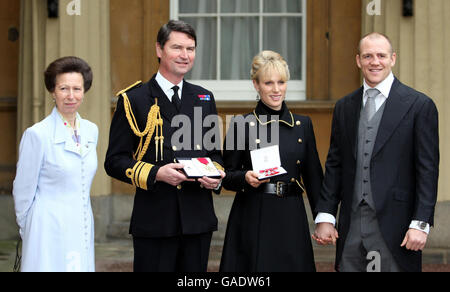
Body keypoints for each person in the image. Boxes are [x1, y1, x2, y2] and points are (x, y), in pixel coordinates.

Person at [104, 20, 225, 272]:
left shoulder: (204, 97)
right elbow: (115, 161)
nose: (185, 55)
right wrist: (156, 173)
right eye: (177, 47)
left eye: (190, 49)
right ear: (159, 50)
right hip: (155, 221)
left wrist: (215, 176)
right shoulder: (133, 99)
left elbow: (214, 153)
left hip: (197, 220)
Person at [312, 32, 439, 272]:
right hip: (351, 226)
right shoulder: (344, 107)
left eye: (381, 55)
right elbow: (335, 165)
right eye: (368, 56)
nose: (375, 62)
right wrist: (326, 215)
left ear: (392, 59)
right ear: (358, 60)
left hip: (397, 227)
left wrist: (420, 223)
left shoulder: (419, 106)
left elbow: (428, 170)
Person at [219, 51, 323, 272]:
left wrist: (323, 220)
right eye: (268, 83)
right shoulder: (241, 125)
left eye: (281, 82)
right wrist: (244, 178)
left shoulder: (302, 125)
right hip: (254, 214)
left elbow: (314, 178)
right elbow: (225, 175)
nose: (276, 90)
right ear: (256, 85)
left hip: (291, 215)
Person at [13, 56, 98, 272]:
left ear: (84, 91)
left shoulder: (91, 131)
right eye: (63, 88)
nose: (71, 96)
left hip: (82, 226)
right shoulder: (37, 135)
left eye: (77, 89)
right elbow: (23, 192)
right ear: (53, 91)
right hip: (46, 230)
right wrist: (30, 231)